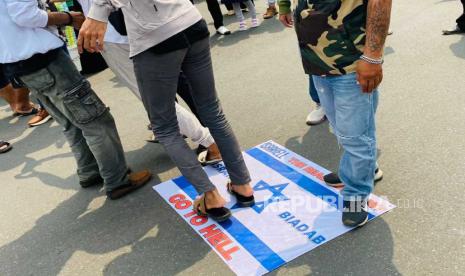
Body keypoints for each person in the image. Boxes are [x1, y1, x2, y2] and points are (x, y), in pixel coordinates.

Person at [79, 0, 254, 221]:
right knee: (211, 110)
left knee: (165, 127)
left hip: (154, 36)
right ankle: (243, 186)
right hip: (189, 20)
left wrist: (97, 12)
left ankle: (211, 196)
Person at [0, 0, 152, 199]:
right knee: (96, 120)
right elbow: (26, 16)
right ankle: (117, 179)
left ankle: (90, 170)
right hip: (45, 61)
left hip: (21, 64)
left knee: (71, 122)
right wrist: (69, 18)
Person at [279, 0, 391, 227]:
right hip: (317, 63)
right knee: (340, 127)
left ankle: (356, 195)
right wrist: (283, 6)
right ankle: (358, 170)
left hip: (350, 63)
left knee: (355, 135)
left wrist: (372, 55)